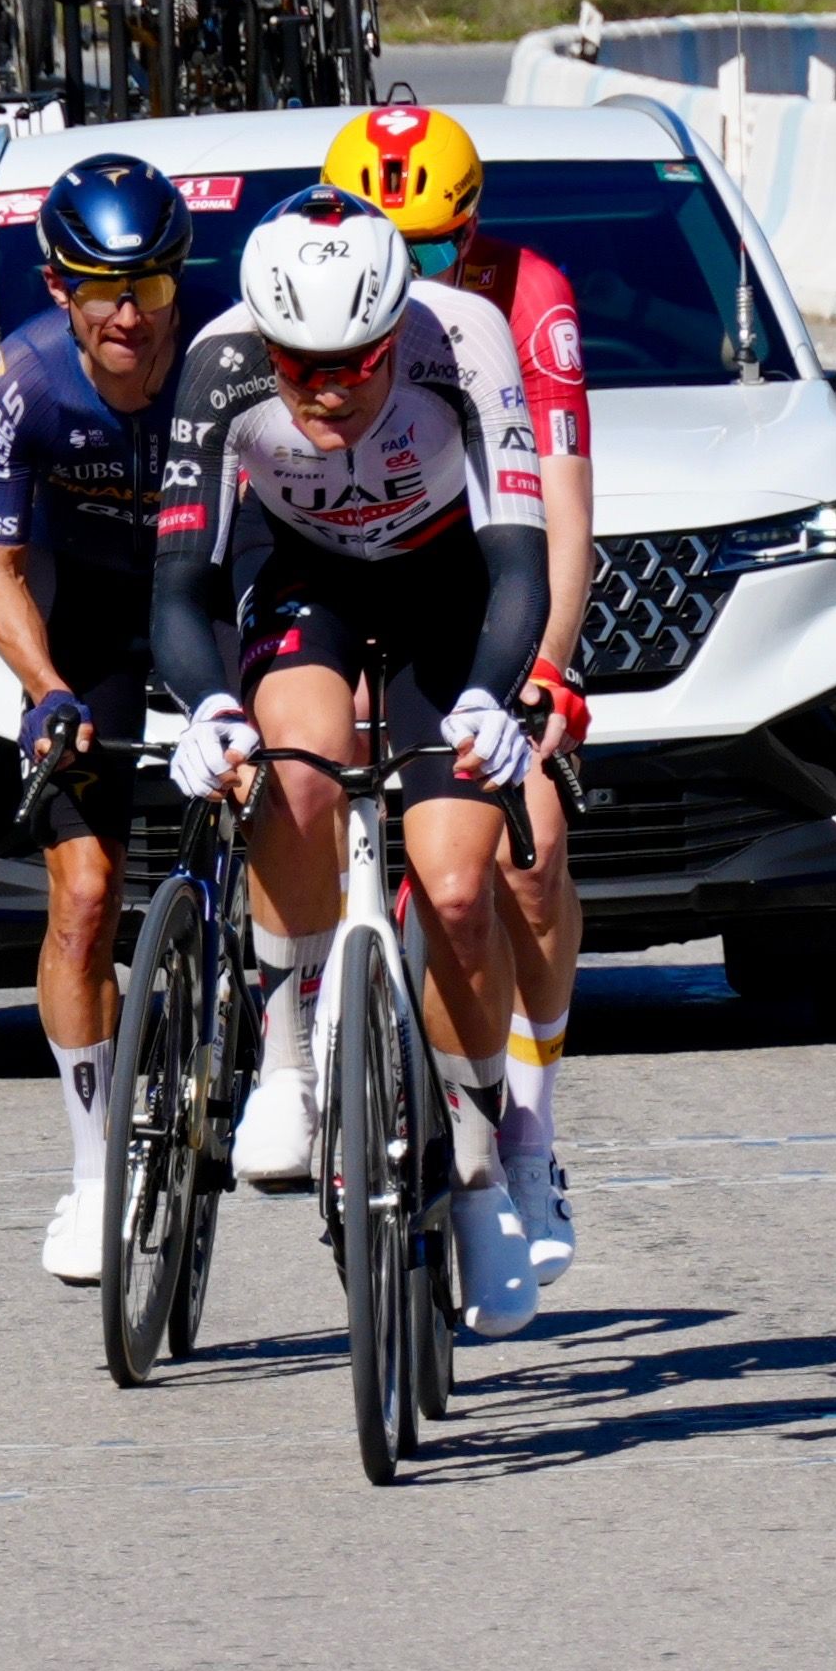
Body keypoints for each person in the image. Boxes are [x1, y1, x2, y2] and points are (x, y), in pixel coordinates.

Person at [154, 186, 555, 1337]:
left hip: (444, 584)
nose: (327, 388)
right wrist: (209, 705)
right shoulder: (221, 365)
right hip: (301, 576)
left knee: (464, 886)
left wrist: (493, 690)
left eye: (356, 362)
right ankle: (285, 1063)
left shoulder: (461, 341)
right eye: (300, 365)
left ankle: (479, 1179)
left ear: (395, 331)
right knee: (297, 765)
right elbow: (180, 591)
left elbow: (519, 561)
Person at [320, 103, 597, 1286]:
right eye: (393, 246)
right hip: (338, 565)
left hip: (482, 576)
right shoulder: (311, 280)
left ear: (471, 232)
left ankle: (525, 1130)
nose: (413, 272)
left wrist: (541, 676)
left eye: (434, 250)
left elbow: (564, 505)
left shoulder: (524, 296)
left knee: (525, 858)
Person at [0, 156, 193, 1286]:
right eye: (102, 291)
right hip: (91, 617)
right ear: (61, 287)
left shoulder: (222, 357)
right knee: (88, 893)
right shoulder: (23, 379)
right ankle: (94, 1165)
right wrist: (46, 687)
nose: (128, 317)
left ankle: (295, 1058)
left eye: (152, 289)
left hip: (210, 593)